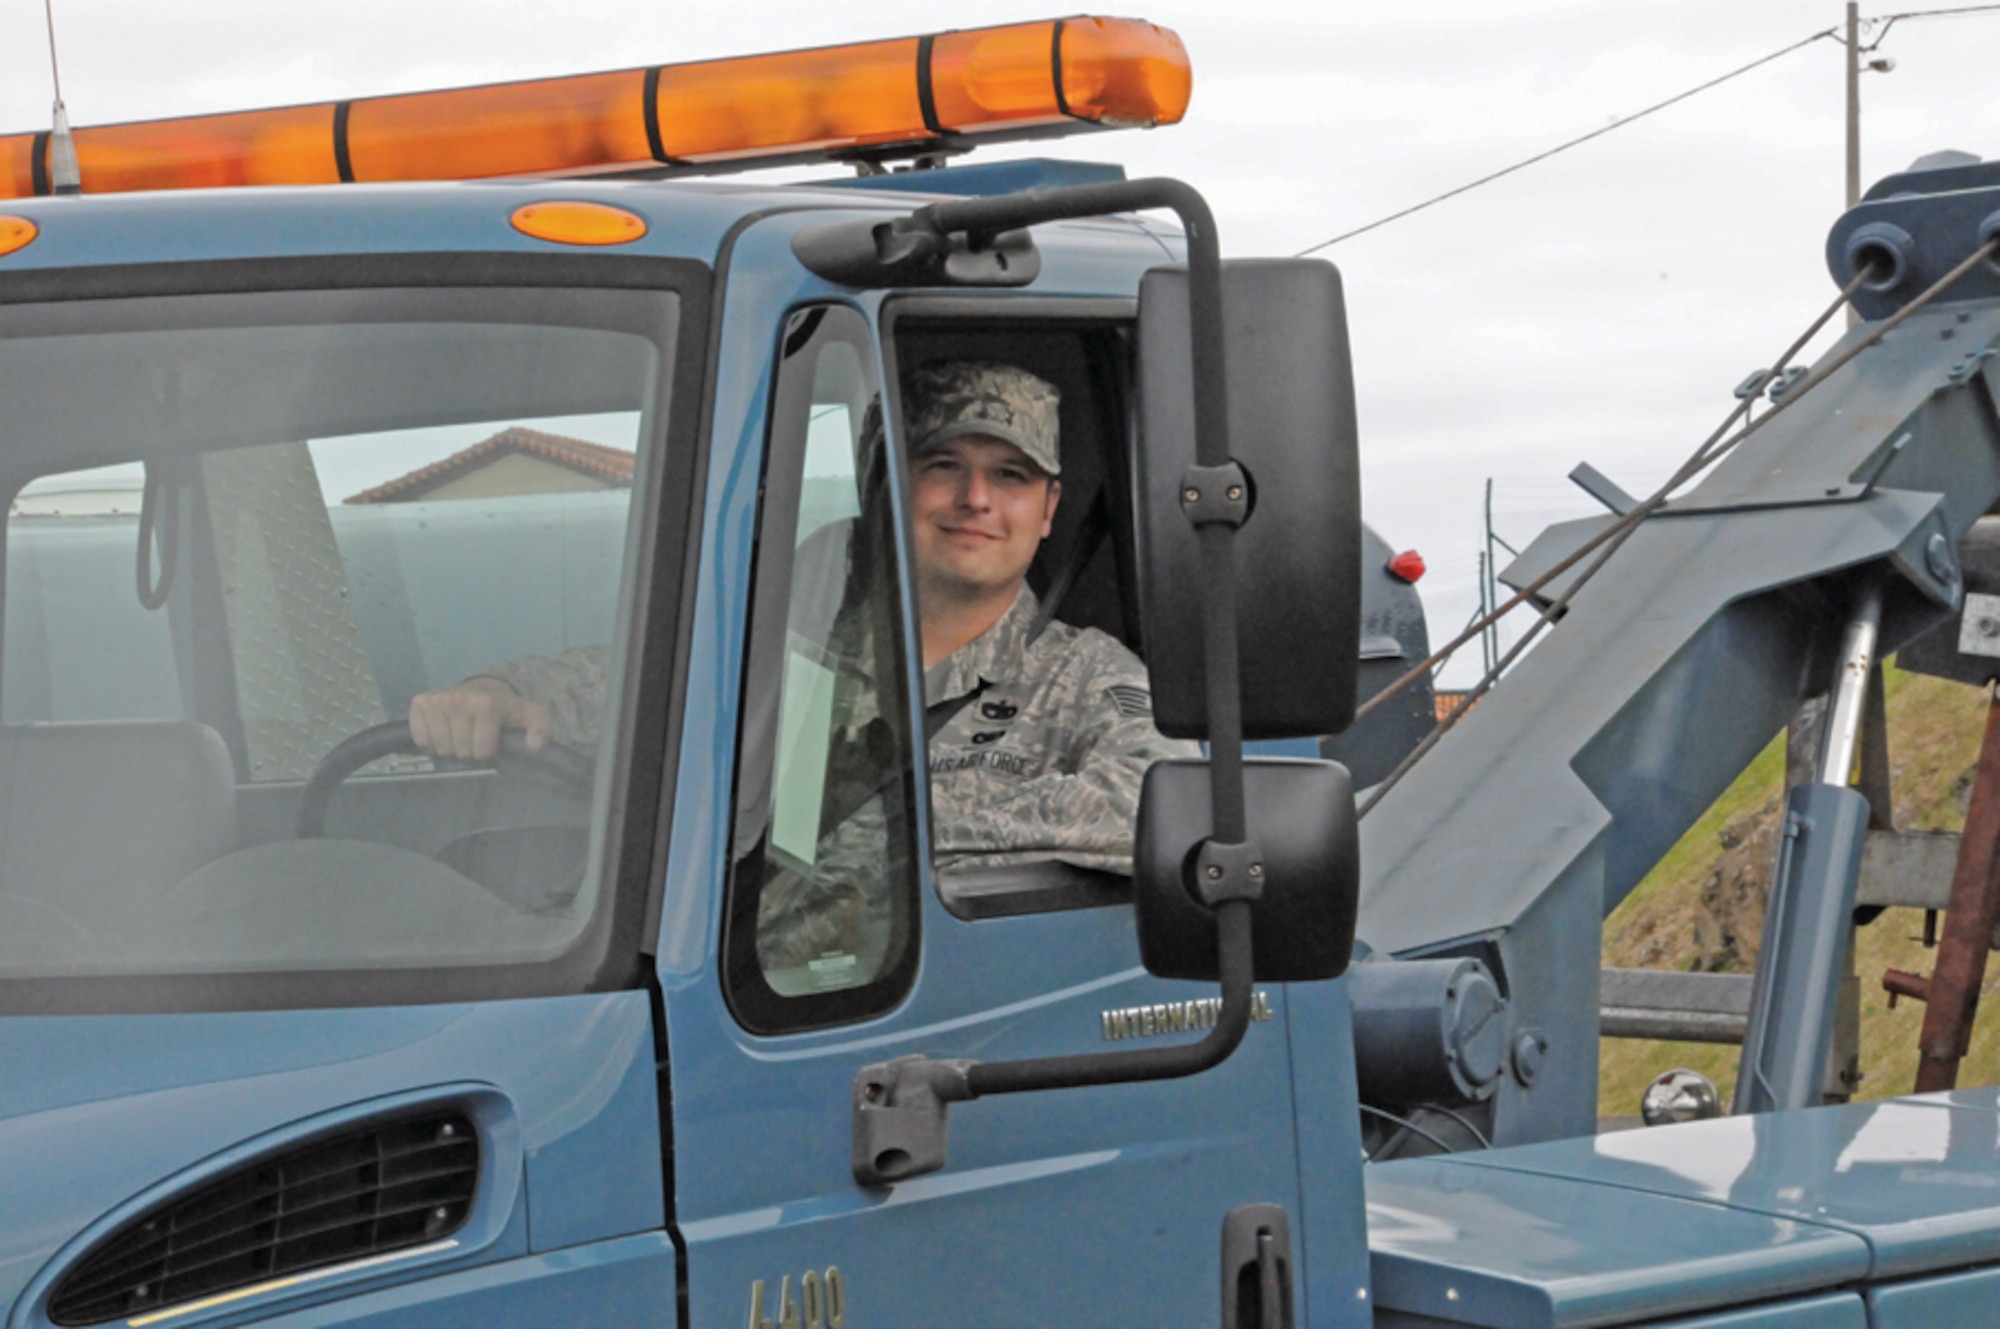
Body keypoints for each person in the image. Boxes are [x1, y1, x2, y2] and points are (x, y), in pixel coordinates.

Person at [408, 360, 1196, 886]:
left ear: (1050, 508)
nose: (976, 499)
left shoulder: (1088, 675)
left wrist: (877, 827)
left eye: (1011, 475)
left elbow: (1154, 809)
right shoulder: (793, 639)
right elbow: (633, 678)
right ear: (887, 487)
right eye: (943, 466)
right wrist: (496, 692)